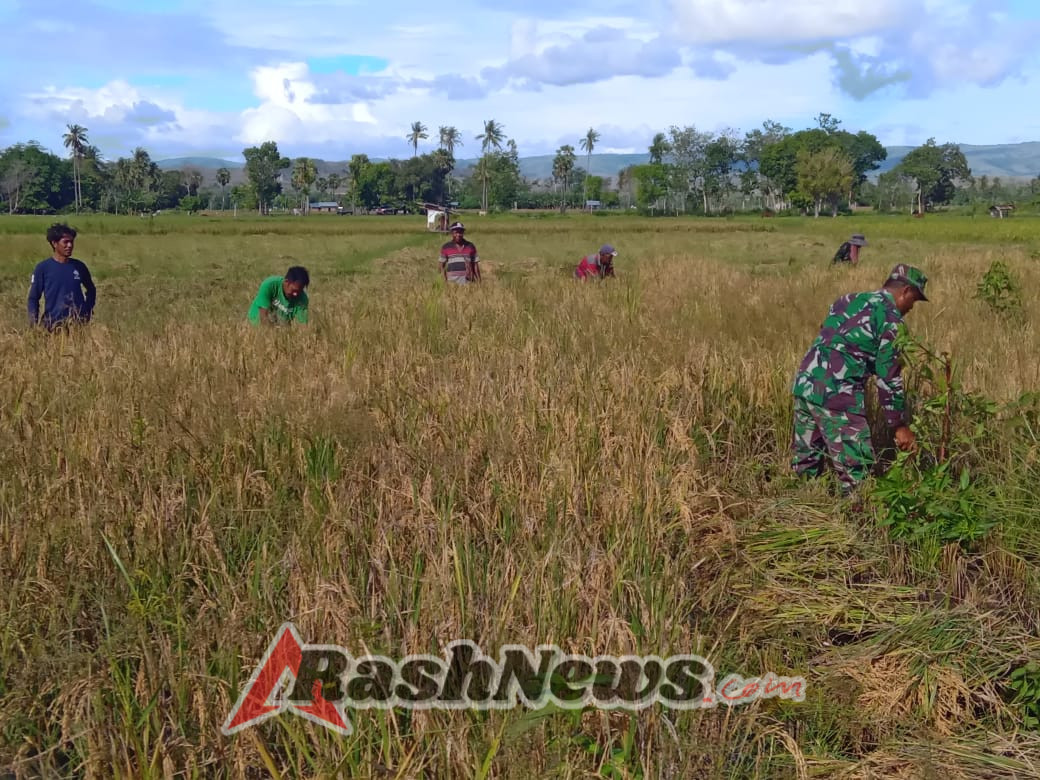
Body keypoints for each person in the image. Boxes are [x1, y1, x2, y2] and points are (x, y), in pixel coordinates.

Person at [790, 264, 930, 496]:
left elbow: (832, 335)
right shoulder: (891, 321)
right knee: (858, 475)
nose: (911, 309)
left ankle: (800, 514)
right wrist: (899, 425)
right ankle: (857, 527)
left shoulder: (847, 299)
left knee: (806, 465)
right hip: (838, 394)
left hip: (805, 384)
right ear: (905, 291)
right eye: (913, 301)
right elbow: (888, 379)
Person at [27, 223, 97, 331]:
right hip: (52, 326)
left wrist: (87, 311)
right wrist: (33, 325)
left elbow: (91, 289)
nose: (70, 245)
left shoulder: (79, 266)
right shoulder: (43, 268)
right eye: (65, 242)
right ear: (54, 243)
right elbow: (33, 298)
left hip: (77, 327)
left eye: (71, 242)